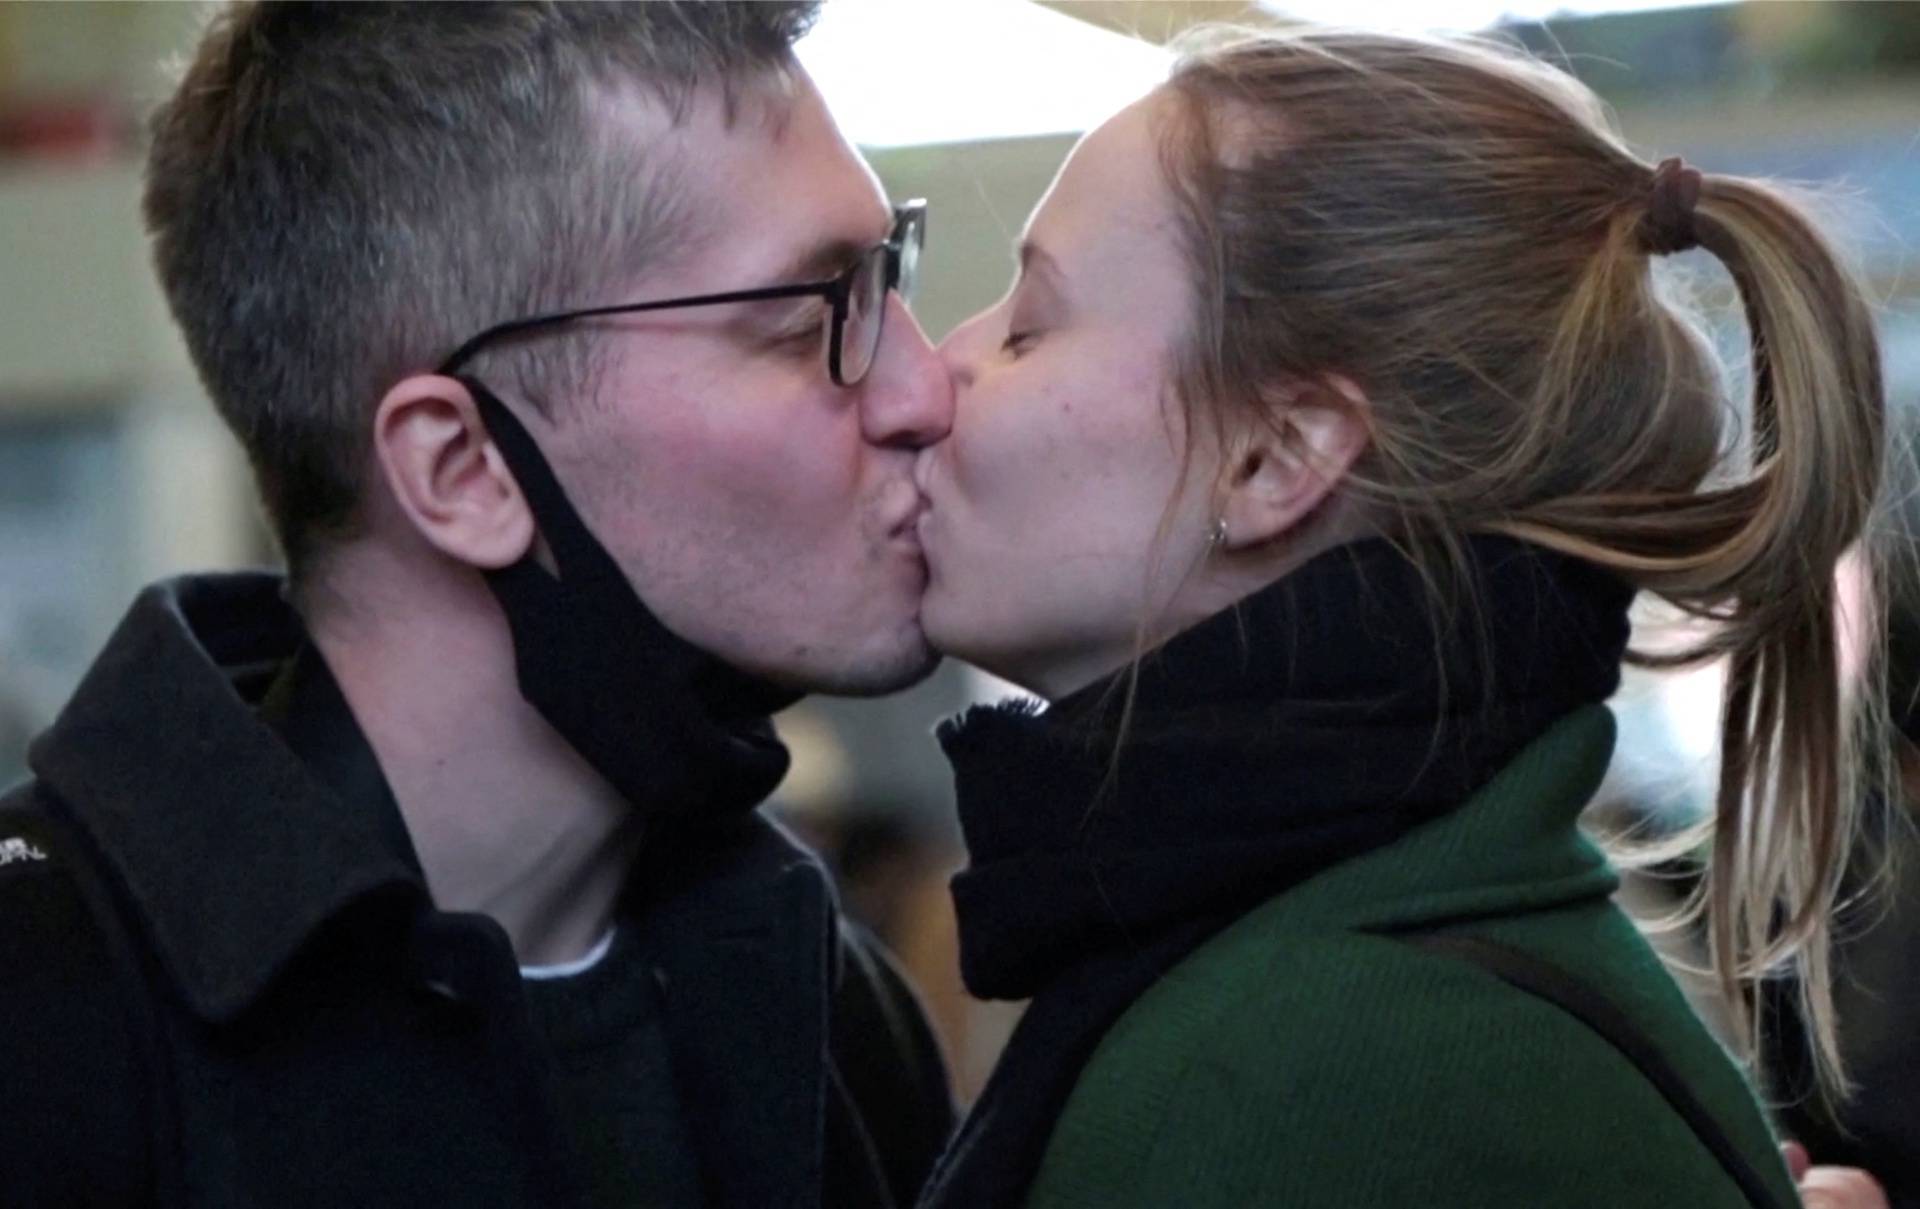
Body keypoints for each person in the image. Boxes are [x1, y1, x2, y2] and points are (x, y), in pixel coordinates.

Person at [909, 26, 1891, 1209]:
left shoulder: (1291, 1075)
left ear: (1280, 454)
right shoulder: (1396, 960)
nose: (935, 375)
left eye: (1029, 325)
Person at [0, 4, 955, 1207]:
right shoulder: (42, 1031)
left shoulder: (822, 1012)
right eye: (807, 315)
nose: (926, 388)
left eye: (888, 272)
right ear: (464, 470)